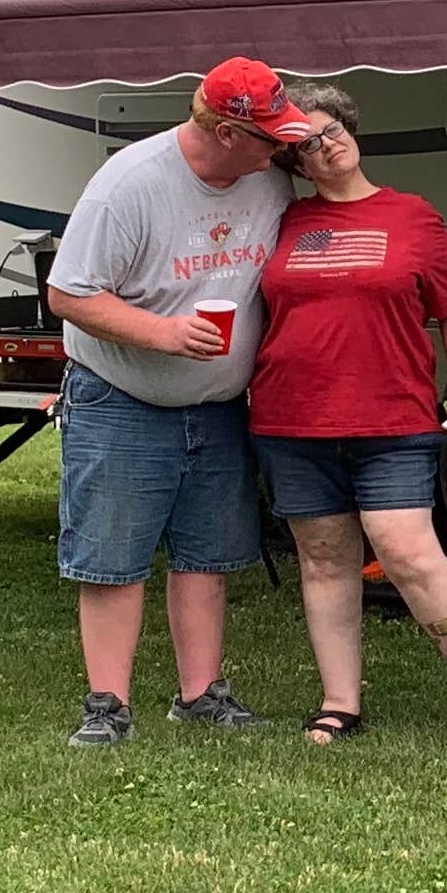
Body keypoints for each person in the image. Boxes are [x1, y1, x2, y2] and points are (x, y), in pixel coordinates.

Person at [44, 56, 320, 745]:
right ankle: (106, 705)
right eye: (270, 137)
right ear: (227, 132)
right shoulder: (130, 186)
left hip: (220, 401)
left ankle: (202, 695)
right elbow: (68, 294)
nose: (282, 147)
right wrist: (164, 334)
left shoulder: (268, 183)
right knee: (113, 559)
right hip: (121, 395)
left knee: (209, 554)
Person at [250, 81, 447, 742]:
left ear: (350, 130)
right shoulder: (284, 223)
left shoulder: (412, 217)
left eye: (330, 131)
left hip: (392, 417)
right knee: (322, 559)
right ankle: (340, 701)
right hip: (292, 419)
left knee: (407, 552)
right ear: (296, 166)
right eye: (305, 146)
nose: (324, 147)